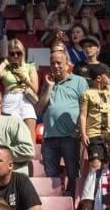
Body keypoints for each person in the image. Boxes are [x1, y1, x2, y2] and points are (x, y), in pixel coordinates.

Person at [36, 50, 87, 198]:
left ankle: (72, 202)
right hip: (49, 137)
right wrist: (49, 87)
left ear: (67, 65)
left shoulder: (79, 81)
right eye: (52, 63)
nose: (56, 66)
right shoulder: (47, 83)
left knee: (72, 173)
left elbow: (86, 107)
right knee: (51, 174)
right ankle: (55, 203)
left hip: (71, 136)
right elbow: (39, 109)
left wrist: (79, 130)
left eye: (59, 62)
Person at [0, 41, 40, 145]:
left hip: (25, 98)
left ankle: (30, 155)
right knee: (8, 136)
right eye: (12, 53)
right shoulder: (6, 68)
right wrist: (6, 61)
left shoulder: (29, 66)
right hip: (10, 98)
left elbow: (35, 89)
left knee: (30, 137)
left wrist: (23, 78)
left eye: (18, 53)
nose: (15, 56)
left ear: (23, 52)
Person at [77, 64, 110, 161]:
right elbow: (83, 115)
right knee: (96, 163)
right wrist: (83, 134)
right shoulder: (87, 94)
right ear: (98, 78)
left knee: (109, 162)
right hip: (93, 135)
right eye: (108, 75)